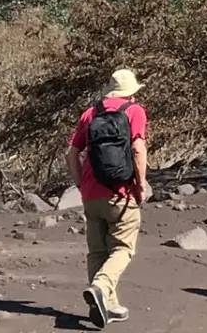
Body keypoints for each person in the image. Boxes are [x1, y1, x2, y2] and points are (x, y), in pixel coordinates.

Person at [64, 68, 150, 329]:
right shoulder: (134, 111)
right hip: (120, 192)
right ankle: (101, 286)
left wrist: (80, 184)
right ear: (131, 93)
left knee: (97, 251)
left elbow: (71, 153)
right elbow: (137, 148)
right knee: (123, 248)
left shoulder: (90, 113)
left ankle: (107, 306)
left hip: (91, 192)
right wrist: (141, 185)